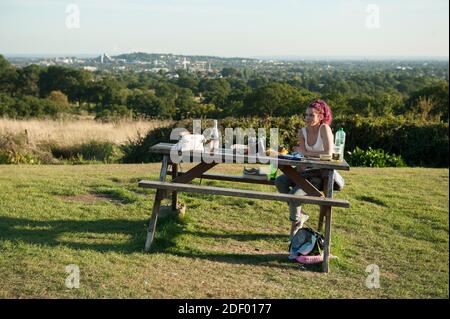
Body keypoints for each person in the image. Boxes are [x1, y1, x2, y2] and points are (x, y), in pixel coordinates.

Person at [275, 99, 334, 241]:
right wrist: (300, 163)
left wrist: (306, 153)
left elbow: (329, 154)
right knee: (279, 181)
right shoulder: (302, 132)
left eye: (311, 115)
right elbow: (301, 156)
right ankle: (300, 216)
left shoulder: (324, 129)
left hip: (319, 174)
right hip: (303, 170)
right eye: (306, 115)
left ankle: (295, 225)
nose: (307, 118)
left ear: (320, 116)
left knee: (294, 196)